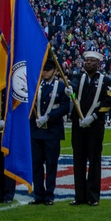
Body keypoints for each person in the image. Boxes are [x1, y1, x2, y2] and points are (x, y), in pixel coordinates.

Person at [70, 50, 111, 206]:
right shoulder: (77, 77)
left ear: (98, 64)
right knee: (78, 160)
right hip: (78, 125)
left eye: (92, 61)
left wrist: (93, 116)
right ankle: (79, 196)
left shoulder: (106, 81)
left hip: (95, 126)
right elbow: (74, 90)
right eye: (86, 60)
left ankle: (93, 196)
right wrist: (69, 92)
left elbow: (108, 102)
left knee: (94, 161)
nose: (88, 63)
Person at [30, 61, 71, 205]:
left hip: (52, 130)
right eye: (43, 70)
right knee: (36, 164)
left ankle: (49, 194)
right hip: (36, 131)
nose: (45, 73)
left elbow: (65, 107)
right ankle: (38, 194)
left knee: (51, 164)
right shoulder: (35, 86)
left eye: (48, 70)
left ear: (55, 71)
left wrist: (48, 116)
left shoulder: (61, 87)